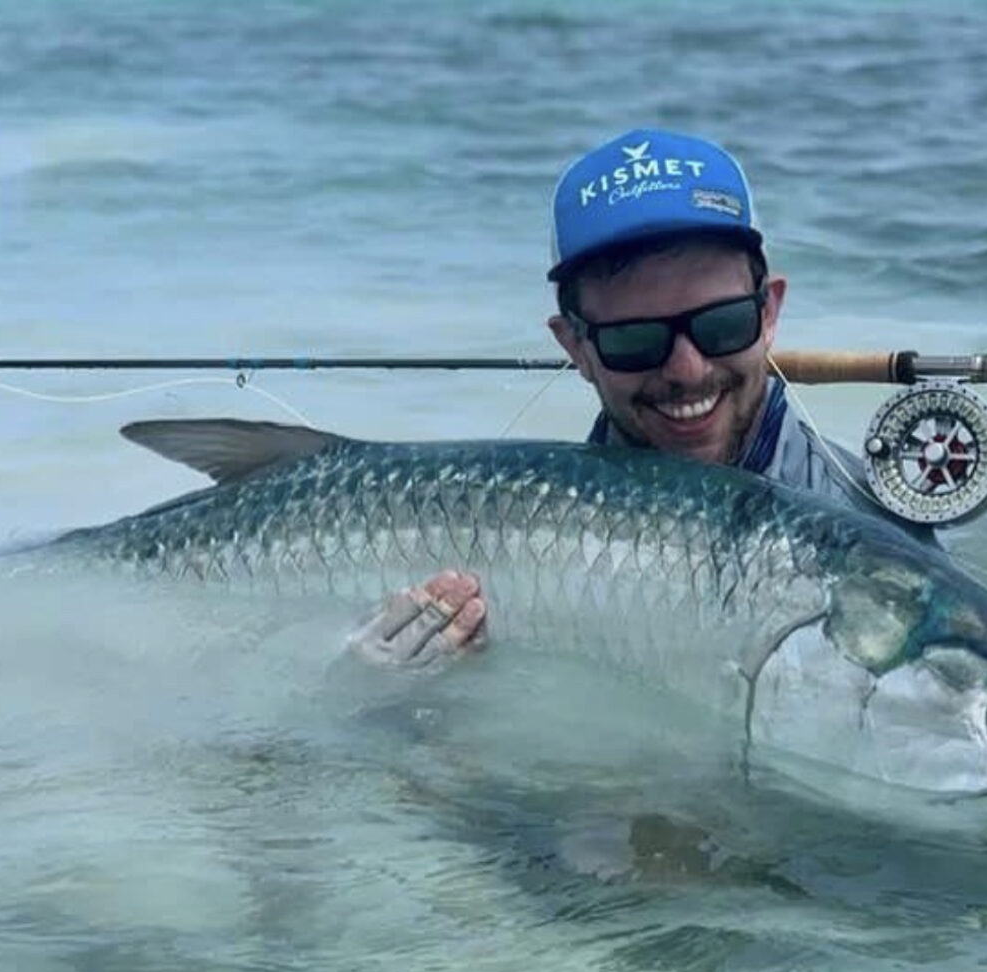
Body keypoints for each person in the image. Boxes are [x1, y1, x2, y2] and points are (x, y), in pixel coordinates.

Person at [351, 127, 881, 669]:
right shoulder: (477, 545)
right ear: (575, 345)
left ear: (769, 312)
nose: (687, 369)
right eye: (636, 340)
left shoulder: (877, 529)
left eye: (722, 325)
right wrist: (373, 706)